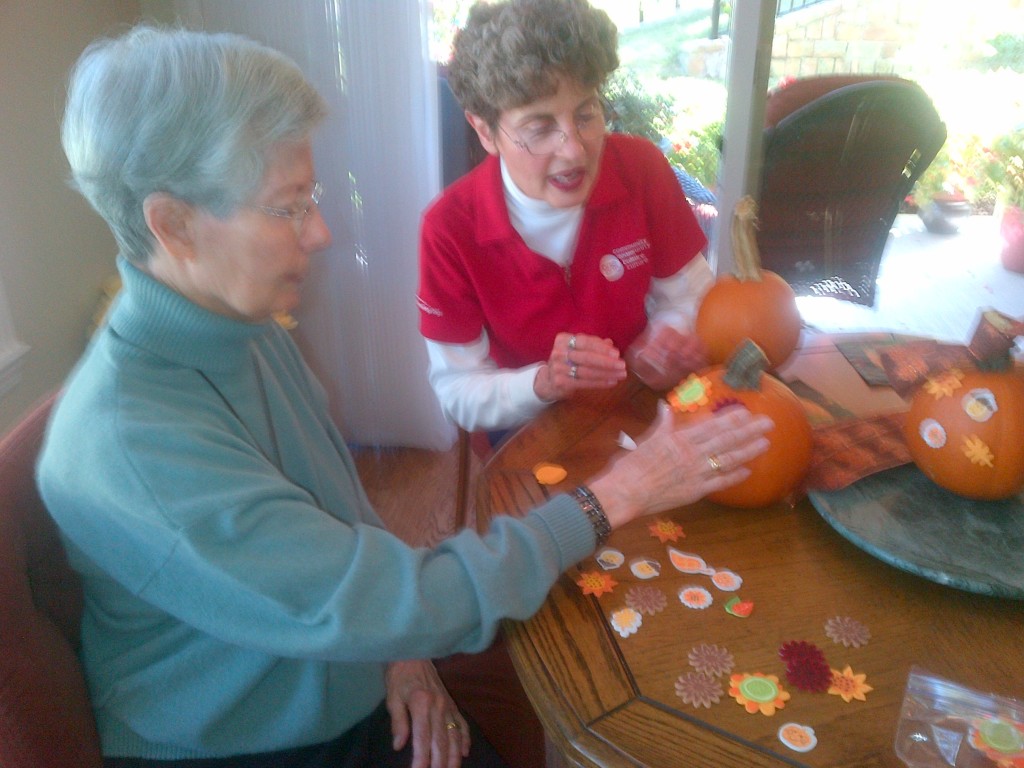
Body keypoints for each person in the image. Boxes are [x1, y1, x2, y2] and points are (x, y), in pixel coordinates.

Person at [37, 24, 773, 768]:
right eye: (288, 206)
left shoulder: (244, 328)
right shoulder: (131, 442)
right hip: (249, 741)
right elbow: (366, 600)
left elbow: (339, 515)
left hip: (339, 664)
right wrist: (615, 495)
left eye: (311, 196)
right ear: (175, 224)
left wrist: (400, 654)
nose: (321, 232)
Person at [417, 0, 715, 435]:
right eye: (539, 128)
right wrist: (544, 382)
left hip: (643, 401)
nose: (574, 150)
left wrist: (665, 340)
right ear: (485, 131)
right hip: (529, 425)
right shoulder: (449, 229)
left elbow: (689, 297)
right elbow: (458, 389)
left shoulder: (641, 168)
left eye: (586, 114)